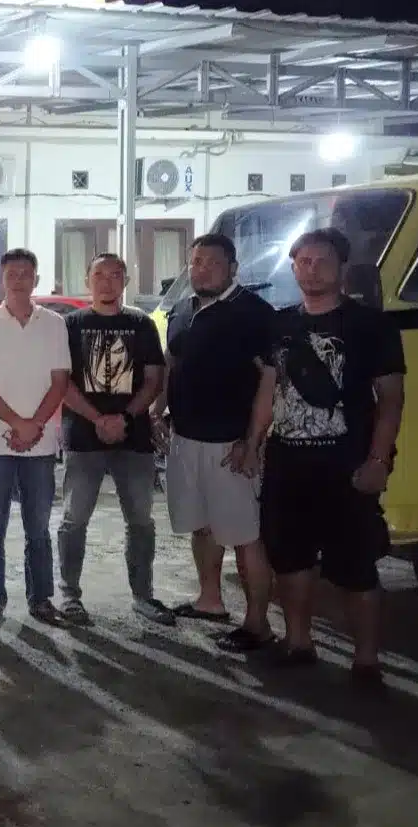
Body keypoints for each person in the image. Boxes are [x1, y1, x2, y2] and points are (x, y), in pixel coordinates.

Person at [244, 228, 405, 686]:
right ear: (294, 268)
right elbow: (269, 388)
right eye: (304, 262)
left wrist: (378, 460)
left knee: (355, 566)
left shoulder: (370, 325)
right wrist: (253, 443)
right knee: (289, 558)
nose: (312, 270)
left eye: (323, 261)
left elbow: (391, 398)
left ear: (342, 268)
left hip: (347, 464)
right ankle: (299, 642)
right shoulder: (279, 324)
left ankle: (367, 660)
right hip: (287, 462)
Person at [154, 234, 277, 650]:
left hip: (231, 446)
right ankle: (210, 601)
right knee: (202, 526)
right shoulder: (182, 309)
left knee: (245, 535)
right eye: (196, 262)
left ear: (233, 268)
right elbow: (172, 363)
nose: (201, 269)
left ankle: (257, 625)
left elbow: (269, 380)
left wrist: (252, 441)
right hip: (185, 438)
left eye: (212, 262)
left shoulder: (254, 313)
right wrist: (158, 409)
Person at [58, 253, 176, 626]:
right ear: (87, 280)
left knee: (140, 520)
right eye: (99, 275)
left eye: (115, 275)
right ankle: (69, 596)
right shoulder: (70, 325)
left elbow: (154, 380)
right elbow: (61, 382)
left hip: (133, 437)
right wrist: (97, 419)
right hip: (83, 437)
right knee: (74, 519)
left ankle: (143, 595)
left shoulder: (141, 324)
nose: (107, 282)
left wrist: (124, 418)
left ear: (125, 281)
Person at [0, 248, 71, 627]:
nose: (18, 279)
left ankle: (41, 599)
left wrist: (34, 425)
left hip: (41, 443)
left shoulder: (54, 324)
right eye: (11, 273)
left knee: (38, 529)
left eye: (26, 273)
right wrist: (18, 423)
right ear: (1, 279)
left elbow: (60, 382)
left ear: (36, 279)